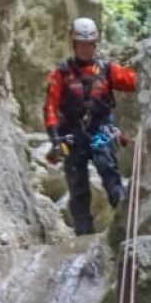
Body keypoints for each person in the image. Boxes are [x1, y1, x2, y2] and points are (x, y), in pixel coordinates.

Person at [44, 17, 139, 235]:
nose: (86, 49)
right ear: (74, 44)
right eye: (82, 44)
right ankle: (83, 236)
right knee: (78, 189)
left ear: (95, 44)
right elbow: (50, 105)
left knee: (110, 175)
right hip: (72, 134)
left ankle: (126, 230)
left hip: (100, 131)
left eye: (90, 44)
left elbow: (134, 80)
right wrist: (54, 137)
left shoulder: (107, 70)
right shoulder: (61, 73)